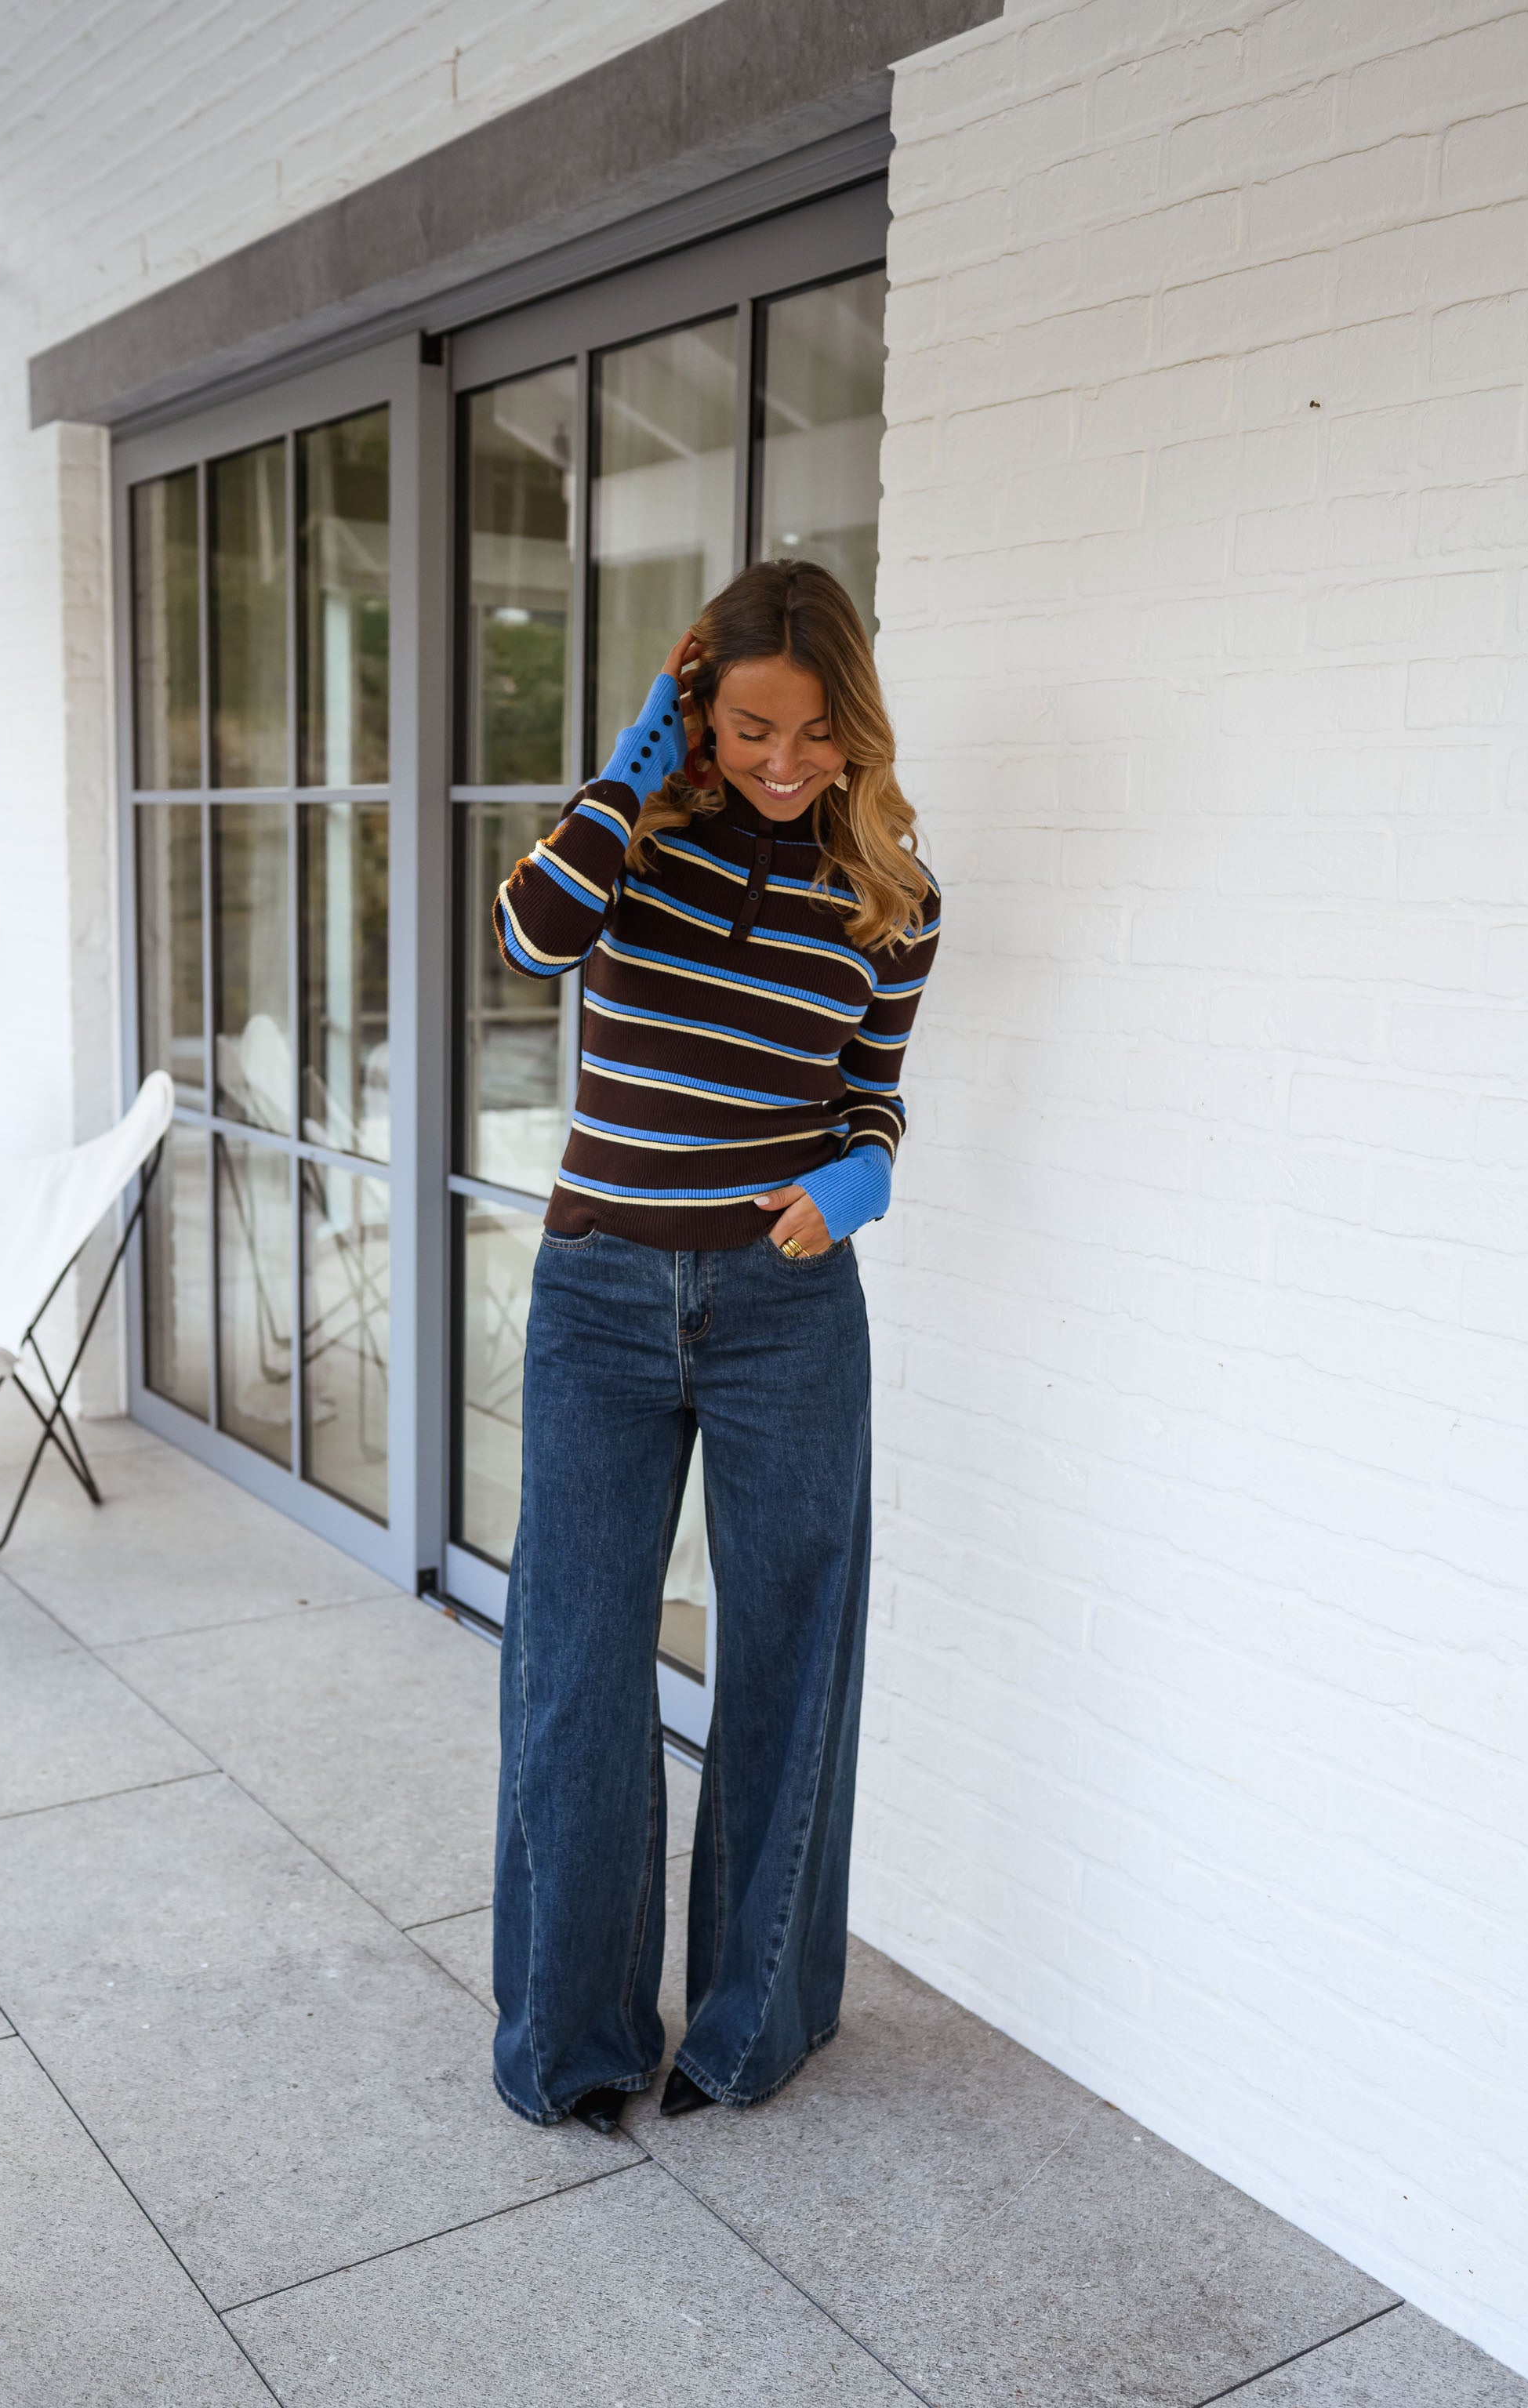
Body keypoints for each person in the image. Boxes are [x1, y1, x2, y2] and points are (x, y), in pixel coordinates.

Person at [489, 557, 939, 2131]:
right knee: (574, 1670)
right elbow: (531, 940)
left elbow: (872, 1096)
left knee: (790, 1667)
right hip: (600, 1300)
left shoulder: (890, 894)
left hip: (784, 1313)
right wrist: (632, 763)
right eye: (752, 725)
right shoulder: (626, 839)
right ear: (697, 708)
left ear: (856, 729)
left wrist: (859, 1177)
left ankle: (754, 2029)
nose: (783, 762)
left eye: (817, 734)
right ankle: (574, 2039)